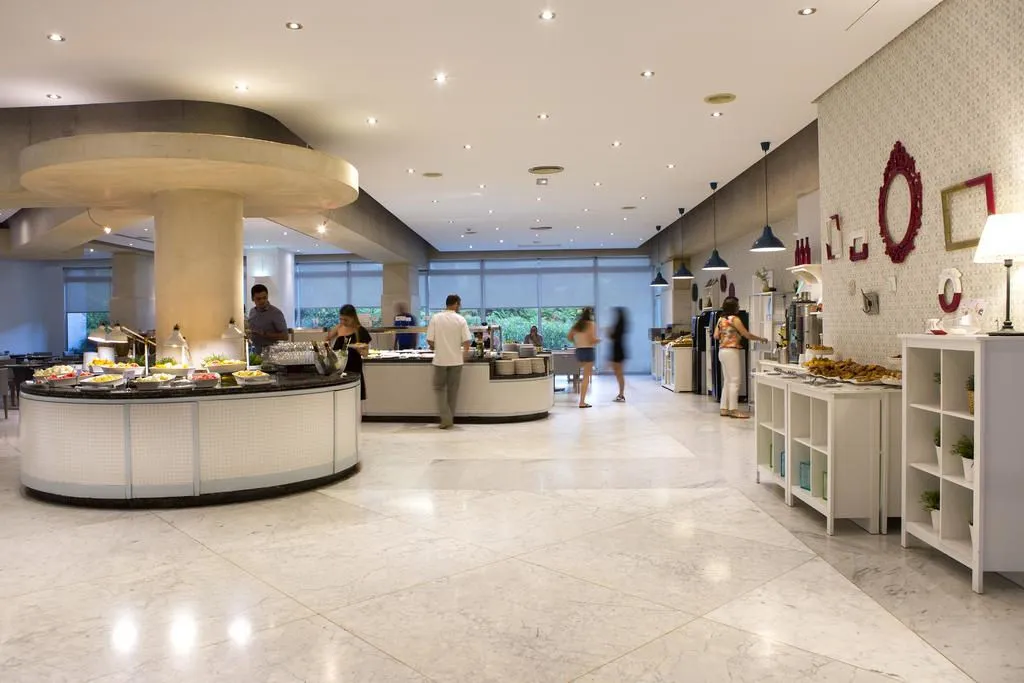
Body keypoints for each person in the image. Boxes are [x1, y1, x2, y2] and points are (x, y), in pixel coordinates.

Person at [713, 297, 766, 419]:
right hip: (732, 351)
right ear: (734, 307)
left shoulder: (721, 319)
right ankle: (734, 410)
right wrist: (761, 339)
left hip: (722, 351)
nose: (738, 307)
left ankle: (724, 408)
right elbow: (746, 334)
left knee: (727, 381)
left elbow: (715, 335)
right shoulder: (734, 319)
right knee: (735, 381)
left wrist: (726, 335)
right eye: (737, 305)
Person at [426, 294, 472, 429]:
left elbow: (429, 340)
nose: (460, 307)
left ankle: (446, 418)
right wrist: (464, 355)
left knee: (439, 389)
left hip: (440, 360)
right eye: (460, 304)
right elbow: (467, 341)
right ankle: (449, 418)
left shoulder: (436, 318)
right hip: (456, 361)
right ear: (456, 304)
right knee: (453, 391)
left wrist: (436, 346)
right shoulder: (460, 319)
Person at [326, 304, 372, 401]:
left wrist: (358, 349)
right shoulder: (339, 328)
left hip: (353, 368)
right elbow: (327, 340)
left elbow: (365, 354)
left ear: (353, 318)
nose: (343, 322)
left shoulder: (361, 331)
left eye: (346, 320)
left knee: (353, 399)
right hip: (338, 368)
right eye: (341, 319)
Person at [568, 307, 598, 408]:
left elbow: (569, 337)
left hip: (579, 351)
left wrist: (577, 341)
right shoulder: (591, 324)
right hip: (588, 351)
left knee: (580, 374)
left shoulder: (577, 325)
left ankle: (581, 400)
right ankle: (582, 402)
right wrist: (598, 340)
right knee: (586, 378)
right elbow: (592, 339)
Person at [247, 284, 289, 354]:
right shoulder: (252, 311)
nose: (262, 301)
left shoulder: (276, 313)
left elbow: (285, 336)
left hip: (271, 354)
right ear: (252, 299)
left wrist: (264, 334)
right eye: (258, 299)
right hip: (254, 352)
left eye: (264, 298)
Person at [609, 307, 628, 402]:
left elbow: (613, 336)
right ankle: (621, 394)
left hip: (617, 351)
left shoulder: (618, 326)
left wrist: (609, 331)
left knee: (619, 374)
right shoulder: (622, 325)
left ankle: (621, 394)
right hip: (618, 350)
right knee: (619, 374)